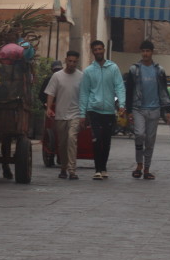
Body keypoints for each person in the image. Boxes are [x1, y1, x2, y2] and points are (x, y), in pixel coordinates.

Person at [124, 39, 170, 180]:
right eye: (143, 51)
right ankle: (139, 164)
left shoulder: (159, 70)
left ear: (152, 52)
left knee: (150, 140)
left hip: (154, 109)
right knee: (139, 134)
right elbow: (129, 90)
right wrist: (128, 110)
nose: (145, 54)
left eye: (148, 51)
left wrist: (167, 110)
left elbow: (163, 90)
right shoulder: (134, 70)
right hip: (138, 108)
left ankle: (147, 169)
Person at [78, 39, 126, 180]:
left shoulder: (113, 68)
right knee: (97, 140)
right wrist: (82, 114)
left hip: (109, 111)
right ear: (92, 52)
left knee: (106, 141)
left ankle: (104, 168)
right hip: (94, 110)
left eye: (100, 49)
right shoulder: (88, 71)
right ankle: (98, 169)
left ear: (104, 50)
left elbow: (119, 86)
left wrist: (122, 104)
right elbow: (84, 93)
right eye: (95, 49)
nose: (98, 51)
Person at [44, 51, 84, 180]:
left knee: (72, 139)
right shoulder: (57, 76)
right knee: (62, 144)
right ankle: (63, 167)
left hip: (75, 114)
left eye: (74, 62)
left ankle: (72, 170)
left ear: (77, 62)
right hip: (60, 115)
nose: (72, 64)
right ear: (66, 60)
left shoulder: (81, 77)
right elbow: (51, 93)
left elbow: (84, 96)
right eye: (70, 61)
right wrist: (49, 108)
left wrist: (84, 114)